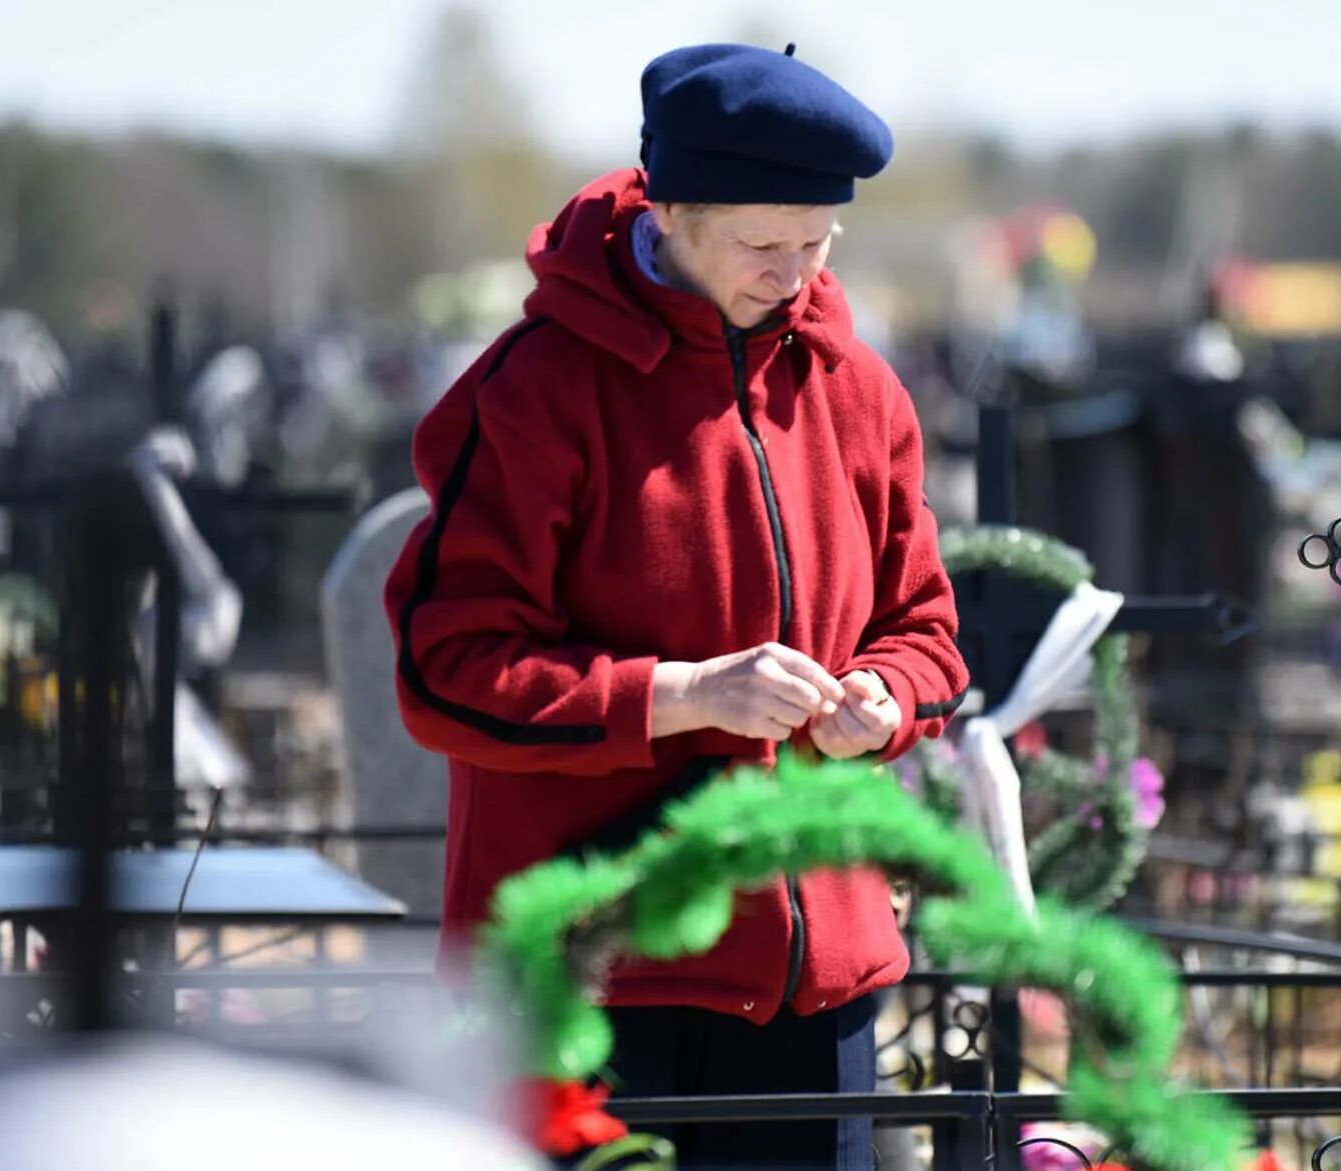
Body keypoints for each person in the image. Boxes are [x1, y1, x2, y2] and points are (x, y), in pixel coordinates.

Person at [383, 41, 970, 1170]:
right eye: (760, 242)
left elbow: (927, 629)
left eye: (814, 241)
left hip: (820, 985)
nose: (793, 271)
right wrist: (683, 696)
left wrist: (882, 699)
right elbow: (445, 666)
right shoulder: (534, 392)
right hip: (599, 979)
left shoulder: (861, 390)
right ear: (668, 211)